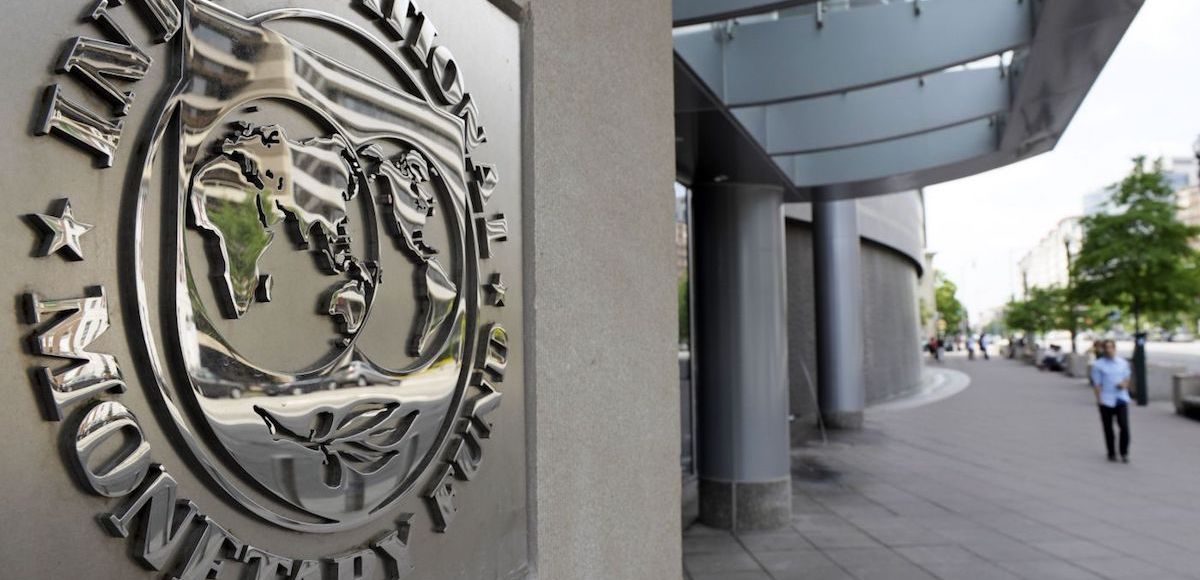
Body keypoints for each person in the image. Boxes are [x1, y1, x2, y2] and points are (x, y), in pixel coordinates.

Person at [1090, 340, 1132, 462]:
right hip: (1106, 399)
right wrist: (1099, 400)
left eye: (1111, 347)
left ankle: (1124, 452)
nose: (1109, 350)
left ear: (1115, 348)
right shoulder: (1098, 365)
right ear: (1103, 350)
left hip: (1121, 398)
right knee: (1108, 428)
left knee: (1124, 426)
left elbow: (1127, 378)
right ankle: (1111, 452)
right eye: (1106, 348)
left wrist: (1124, 385)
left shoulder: (1122, 363)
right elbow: (1097, 384)